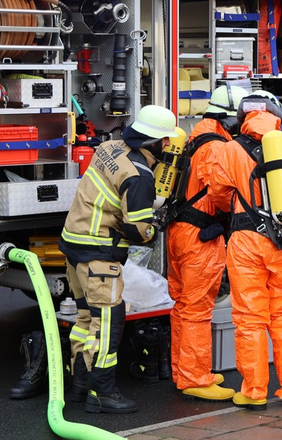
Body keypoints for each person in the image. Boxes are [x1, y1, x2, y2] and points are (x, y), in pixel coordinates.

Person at [207, 91, 282, 411]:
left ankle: (254, 391)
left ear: (242, 118)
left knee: (250, 319)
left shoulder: (229, 150)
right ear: (278, 117)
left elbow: (219, 195)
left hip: (246, 241)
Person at [59, 104, 179, 414]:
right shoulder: (139, 175)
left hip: (74, 244)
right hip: (99, 255)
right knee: (108, 324)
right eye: (165, 141)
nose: (167, 146)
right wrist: (157, 226)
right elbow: (137, 229)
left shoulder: (111, 146)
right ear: (154, 141)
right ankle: (103, 394)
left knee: (85, 321)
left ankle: (80, 385)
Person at [166, 83, 249, 401]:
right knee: (198, 309)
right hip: (200, 237)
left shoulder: (195, 136)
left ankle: (184, 369)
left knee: (183, 305)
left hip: (180, 232)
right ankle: (195, 378)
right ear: (229, 119)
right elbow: (221, 195)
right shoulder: (217, 149)